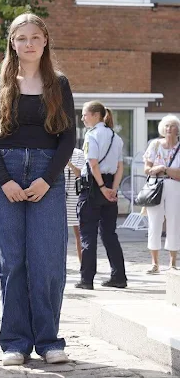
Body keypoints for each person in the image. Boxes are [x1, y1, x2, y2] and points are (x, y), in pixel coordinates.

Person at [0, 13, 75, 366]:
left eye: (36, 37)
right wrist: (5, 180)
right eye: (22, 38)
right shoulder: (0, 83)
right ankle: (15, 343)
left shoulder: (59, 84)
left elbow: (68, 139)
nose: (29, 43)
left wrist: (46, 179)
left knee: (47, 261)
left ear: (45, 41)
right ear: (13, 43)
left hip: (45, 175)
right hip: (6, 173)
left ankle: (49, 340)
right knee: (12, 262)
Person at [75, 101, 127, 291]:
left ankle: (86, 279)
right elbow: (120, 166)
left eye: (84, 114)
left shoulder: (92, 135)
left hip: (92, 187)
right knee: (109, 234)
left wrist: (102, 187)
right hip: (109, 186)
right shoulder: (116, 136)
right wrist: (113, 188)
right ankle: (119, 276)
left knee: (88, 235)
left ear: (96, 115)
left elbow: (93, 163)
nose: (82, 118)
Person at [143, 114, 180, 273]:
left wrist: (163, 168)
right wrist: (156, 170)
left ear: (178, 129)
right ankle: (155, 263)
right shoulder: (155, 145)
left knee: (174, 222)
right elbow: (147, 169)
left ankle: (173, 263)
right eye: (166, 126)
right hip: (155, 186)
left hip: (174, 187)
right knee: (154, 223)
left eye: (172, 126)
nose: (169, 129)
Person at [65, 148, 85, 262]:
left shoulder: (78, 154)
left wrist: (68, 163)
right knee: (59, 235)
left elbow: (79, 173)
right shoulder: (55, 150)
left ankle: (83, 264)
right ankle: (60, 264)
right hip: (60, 195)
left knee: (79, 233)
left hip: (74, 197)